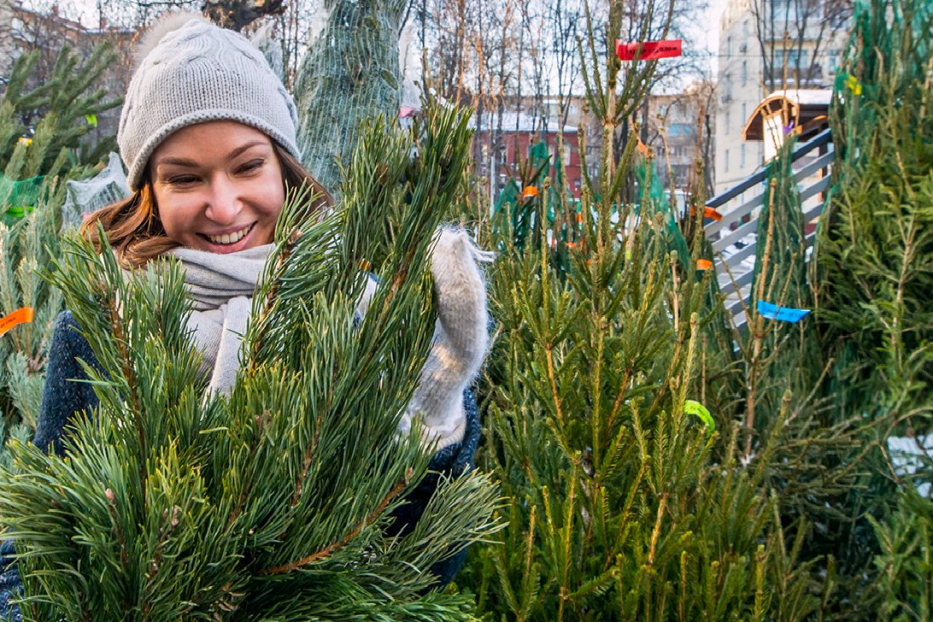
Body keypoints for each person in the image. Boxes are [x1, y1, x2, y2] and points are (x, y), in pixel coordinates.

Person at [0, 13, 489, 619]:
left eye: (247, 165)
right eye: (185, 177)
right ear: (148, 190)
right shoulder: (105, 323)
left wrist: (430, 424)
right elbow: (34, 554)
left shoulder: (356, 317)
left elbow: (425, 572)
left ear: (285, 166)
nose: (224, 205)